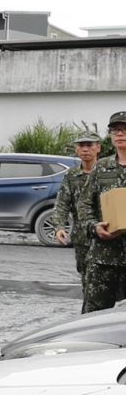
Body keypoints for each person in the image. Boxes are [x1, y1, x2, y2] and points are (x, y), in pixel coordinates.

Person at [81, 111, 126, 312]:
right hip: (104, 257)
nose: (120, 134)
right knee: (93, 316)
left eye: (125, 130)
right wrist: (93, 226)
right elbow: (84, 204)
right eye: (116, 130)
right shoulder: (101, 167)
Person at [54, 127, 103, 283]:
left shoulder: (107, 172)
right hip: (82, 237)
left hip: (106, 235)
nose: (85, 149)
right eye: (81, 146)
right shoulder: (71, 175)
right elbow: (62, 203)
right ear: (76, 149)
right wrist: (60, 227)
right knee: (86, 279)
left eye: (89, 145)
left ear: (98, 148)